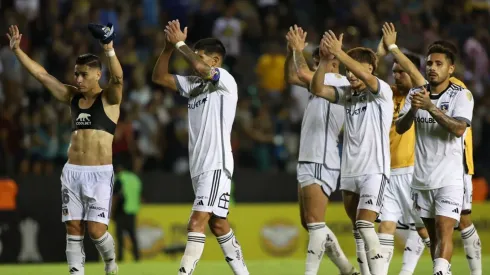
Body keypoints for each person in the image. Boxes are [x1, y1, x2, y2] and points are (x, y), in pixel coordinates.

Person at [6, 23, 123, 275]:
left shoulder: (109, 99)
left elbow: (119, 78)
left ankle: (111, 262)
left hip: (99, 173)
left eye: (83, 74)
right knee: (73, 227)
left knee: (96, 231)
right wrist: (17, 52)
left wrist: (110, 49)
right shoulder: (71, 97)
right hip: (72, 172)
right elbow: (43, 75)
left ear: (97, 75)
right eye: (76, 74)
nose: (77, 79)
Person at [152, 20, 248, 275]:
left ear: (215, 60)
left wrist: (181, 44)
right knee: (218, 225)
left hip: (216, 162)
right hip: (200, 165)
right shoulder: (195, 86)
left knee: (196, 222)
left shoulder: (224, 79)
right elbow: (159, 77)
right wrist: (168, 48)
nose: (193, 60)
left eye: (200, 55)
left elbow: (198, 67)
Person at [384, 22, 482, 274]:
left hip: (450, 177)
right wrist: (415, 108)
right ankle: (443, 270)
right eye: (429, 64)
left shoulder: (461, 95)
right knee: (433, 238)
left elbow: (459, 129)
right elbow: (403, 127)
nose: (432, 68)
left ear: (451, 68)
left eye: (438, 64)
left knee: (444, 228)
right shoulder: (417, 93)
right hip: (421, 178)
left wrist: (429, 107)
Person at [311, 31, 394, 275]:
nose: (350, 73)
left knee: (365, 225)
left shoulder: (382, 92)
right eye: (348, 69)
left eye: (356, 68)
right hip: (349, 172)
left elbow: (365, 77)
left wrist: (340, 53)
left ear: (370, 69)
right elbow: (317, 89)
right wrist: (326, 60)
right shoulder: (348, 96)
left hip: (374, 170)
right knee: (358, 230)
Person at [284, 25, 358, 275]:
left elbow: (302, 72)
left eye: (323, 58)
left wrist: (298, 51)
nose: (317, 63)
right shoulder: (318, 80)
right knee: (309, 223)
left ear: (334, 59)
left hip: (321, 156)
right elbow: (292, 77)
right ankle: (347, 269)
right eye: (317, 59)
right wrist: (290, 52)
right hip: (308, 156)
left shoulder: (341, 83)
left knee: (315, 223)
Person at [374, 24, 431, 275]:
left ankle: (442, 267)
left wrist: (394, 49)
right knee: (385, 227)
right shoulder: (386, 95)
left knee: (423, 229)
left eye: (401, 71)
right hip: (387, 172)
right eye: (394, 71)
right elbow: (365, 75)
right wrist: (379, 54)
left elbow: (418, 78)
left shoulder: (418, 96)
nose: (396, 75)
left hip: (412, 173)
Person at [112, 161, 142, 262]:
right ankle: (137, 257)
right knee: (132, 235)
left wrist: (112, 212)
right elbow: (139, 195)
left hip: (121, 210)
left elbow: (115, 197)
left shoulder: (120, 178)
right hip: (132, 210)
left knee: (119, 236)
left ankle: (120, 258)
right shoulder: (135, 179)